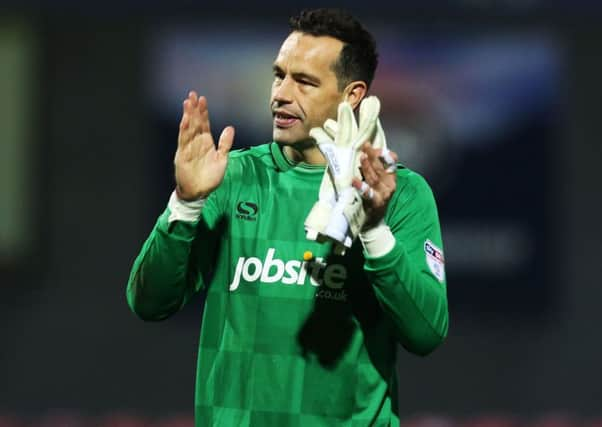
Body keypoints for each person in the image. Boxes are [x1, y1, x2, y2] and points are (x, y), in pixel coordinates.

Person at [126, 8, 449, 427]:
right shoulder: (231, 177)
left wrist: (373, 229)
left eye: (305, 82)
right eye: (280, 75)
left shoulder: (402, 194)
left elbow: (425, 333)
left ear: (352, 95)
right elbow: (149, 303)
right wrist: (186, 203)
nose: (280, 93)